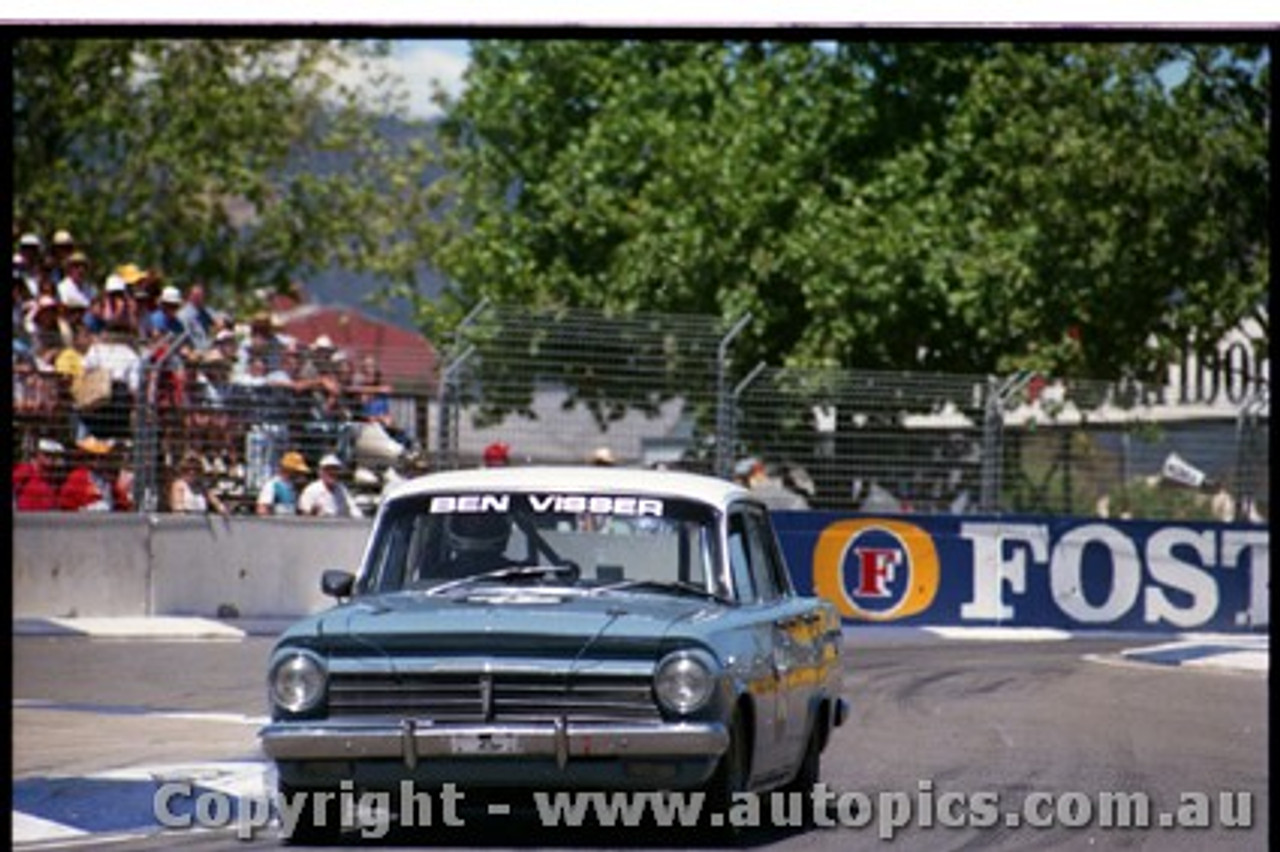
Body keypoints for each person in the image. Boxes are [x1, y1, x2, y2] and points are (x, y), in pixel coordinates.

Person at [59, 436, 132, 512]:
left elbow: (121, 502)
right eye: (93, 457)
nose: (98, 460)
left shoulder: (109, 477)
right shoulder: (77, 476)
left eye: (102, 457)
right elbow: (66, 505)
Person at [298, 454, 363, 518]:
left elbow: (353, 508)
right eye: (328, 469)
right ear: (321, 472)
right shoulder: (311, 490)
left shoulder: (342, 489)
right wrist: (312, 513)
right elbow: (304, 515)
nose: (332, 472)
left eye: (335, 469)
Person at [169, 451, 228, 515]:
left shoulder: (202, 486)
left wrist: (222, 509)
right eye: (188, 469)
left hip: (202, 520)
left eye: (196, 469)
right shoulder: (179, 485)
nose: (192, 472)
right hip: (186, 521)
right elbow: (178, 510)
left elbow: (217, 503)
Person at [14, 438, 65, 511]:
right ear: (38, 453)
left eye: (54, 455)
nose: (51, 458)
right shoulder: (25, 470)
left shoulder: (51, 476)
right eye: (47, 454)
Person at [255, 450, 309, 516]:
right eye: (297, 471)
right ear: (289, 469)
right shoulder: (272, 485)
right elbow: (262, 509)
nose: (299, 474)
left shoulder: (294, 487)